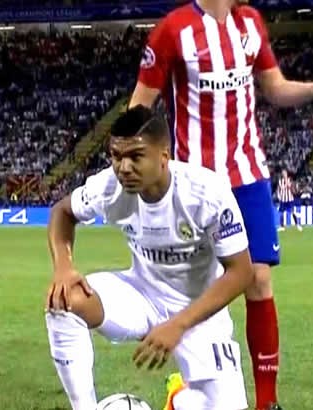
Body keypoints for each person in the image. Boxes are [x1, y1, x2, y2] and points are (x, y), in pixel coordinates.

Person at [129, 1, 313, 407]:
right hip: (195, 180)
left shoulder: (250, 22)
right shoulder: (173, 30)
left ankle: (267, 402)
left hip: (248, 175)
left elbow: (274, 88)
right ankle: (187, 387)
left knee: (258, 278)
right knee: (194, 286)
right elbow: (138, 108)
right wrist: (144, 166)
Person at [44, 106, 254, 410]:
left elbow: (241, 273)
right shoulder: (109, 186)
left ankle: (181, 398)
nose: (123, 167)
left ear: (164, 156)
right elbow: (63, 212)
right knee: (63, 301)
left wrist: (178, 325)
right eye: (116, 156)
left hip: (197, 312)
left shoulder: (206, 193)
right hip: (141, 295)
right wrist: (63, 267)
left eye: (135, 156)